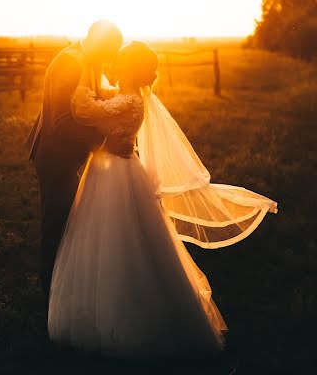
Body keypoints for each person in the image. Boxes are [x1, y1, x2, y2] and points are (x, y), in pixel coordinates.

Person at [47, 41, 277, 359]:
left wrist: (84, 77)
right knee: (107, 238)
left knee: (121, 241)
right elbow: (100, 108)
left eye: (120, 61)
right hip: (110, 173)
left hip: (117, 177)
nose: (114, 63)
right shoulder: (125, 97)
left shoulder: (129, 102)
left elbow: (84, 110)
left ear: (130, 69)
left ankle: (125, 320)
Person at [24, 20, 123, 297]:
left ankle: (61, 284)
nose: (109, 57)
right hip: (55, 155)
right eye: (108, 50)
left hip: (66, 155)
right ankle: (49, 291)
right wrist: (104, 142)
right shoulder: (70, 62)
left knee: (68, 218)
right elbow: (61, 120)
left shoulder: (88, 59)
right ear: (96, 42)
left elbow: (87, 101)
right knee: (56, 221)